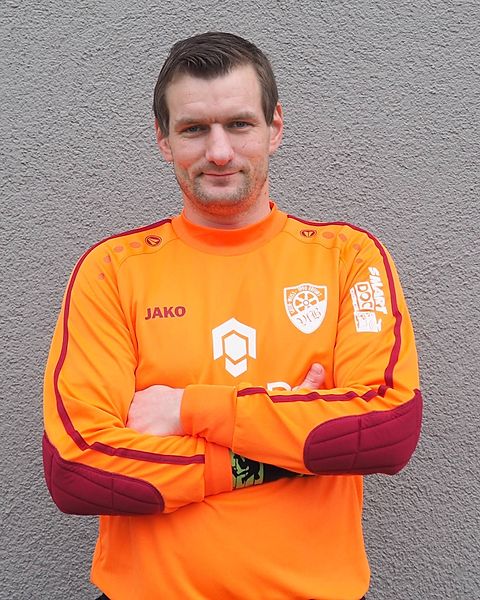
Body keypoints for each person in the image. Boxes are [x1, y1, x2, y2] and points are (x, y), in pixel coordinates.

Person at [43, 32, 422, 600]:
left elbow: (385, 429)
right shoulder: (112, 271)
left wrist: (186, 409)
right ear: (163, 139)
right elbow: (78, 469)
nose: (219, 152)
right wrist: (280, 450)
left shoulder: (348, 258)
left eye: (240, 124)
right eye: (194, 129)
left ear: (275, 127)